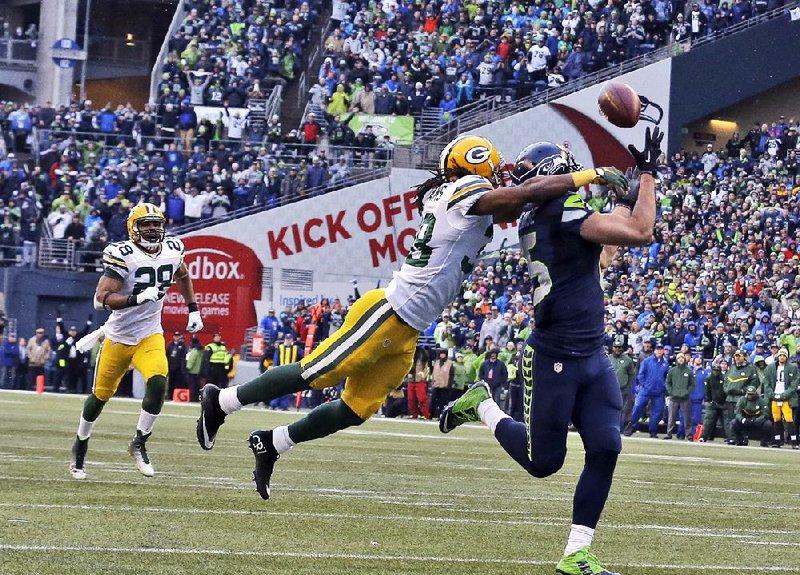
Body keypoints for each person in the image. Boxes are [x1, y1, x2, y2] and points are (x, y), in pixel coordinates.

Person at [196, 133, 628, 502]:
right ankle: (222, 400)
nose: (501, 172)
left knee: (355, 408)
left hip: (408, 327)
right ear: (475, 165)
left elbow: (523, 203)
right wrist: (586, 175)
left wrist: (563, 179)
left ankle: (273, 443)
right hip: (388, 313)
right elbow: (522, 195)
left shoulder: (466, 196)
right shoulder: (463, 192)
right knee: (318, 372)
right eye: (494, 165)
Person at [439, 127, 661, 575]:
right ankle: (481, 404)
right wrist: (648, 179)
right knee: (545, 463)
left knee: (606, 447)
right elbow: (641, 231)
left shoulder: (545, 215)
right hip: (553, 354)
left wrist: (621, 196)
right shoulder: (561, 212)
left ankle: (577, 552)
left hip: (591, 352)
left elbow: (600, 255)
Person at [69, 204, 203, 480]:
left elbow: (184, 275)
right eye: (145, 224)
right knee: (100, 396)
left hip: (149, 334)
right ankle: (80, 443)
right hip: (119, 337)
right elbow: (100, 299)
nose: (152, 229)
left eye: (156, 224)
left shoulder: (172, 249)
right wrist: (135, 298)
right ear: (133, 228)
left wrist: (193, 308)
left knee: (158, 381)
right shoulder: (123, 255)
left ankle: (139, 442)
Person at [626, 341, 670, 438]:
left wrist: (664, 387)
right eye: (658, 349)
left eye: (661, 349)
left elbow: (667, 377)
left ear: (663, 351)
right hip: (646, 390)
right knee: (637, 407)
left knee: (657, 412)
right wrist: (645, 385)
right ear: (654, 351)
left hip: (659, 391)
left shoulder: (665, 364)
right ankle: (631, 427)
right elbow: (640, 375)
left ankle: (653, 431)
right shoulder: (647, 361)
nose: (659, 351)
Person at [762, 347, 799, 448]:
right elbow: (766, 383)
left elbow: (794, 384)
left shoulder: (792, 368)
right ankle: (778, 440)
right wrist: (772, 394)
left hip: (787, 398)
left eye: (784, 356)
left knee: (789, 419)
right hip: (774, 397)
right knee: (776, 419)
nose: (782, 357)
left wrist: (785, 394)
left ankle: (794, 441)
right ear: (777, 356)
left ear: (786, 357)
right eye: (780, 355)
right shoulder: (770, 368)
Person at [723, 349, 759, 444]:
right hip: (730, 398)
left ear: (744, 357)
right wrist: (727, 390)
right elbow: (726, 381)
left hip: (742, 399)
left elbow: (755, 383)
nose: (737, 358)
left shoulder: (750, 368)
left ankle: (743, 438)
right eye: (736, 356)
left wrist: (743, 391)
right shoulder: (732, 367)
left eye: (739, 356)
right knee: (731, 420)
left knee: (742, 419)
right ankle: (733, 438)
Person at [664, 352, 696, 440]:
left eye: (682, 357)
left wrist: (687, 392)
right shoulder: (672, 370)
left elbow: (692, 384)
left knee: (687, 417)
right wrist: (671, 391)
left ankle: (689, 434)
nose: (681, 359)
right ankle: (669, 433)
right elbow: (667, 382)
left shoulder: (689, 371)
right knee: (671, 417)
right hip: (674, 397)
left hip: (685, 398)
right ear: (676, 359)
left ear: (685, 359)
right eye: (679, 358)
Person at [609, 335, 636, 431]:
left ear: (622, 348)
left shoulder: (627, 360)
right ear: (612, 348)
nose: (617, 349)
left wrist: (628, 385)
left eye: (619, 347)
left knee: (624, 409)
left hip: (623, 388)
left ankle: (621, 428)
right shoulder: (608, 359)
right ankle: (609, 428)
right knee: (610, 409)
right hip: (610, 389)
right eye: (615, 347)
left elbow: (632, 374)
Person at [700, 359, 729, 442]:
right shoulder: (709, 378)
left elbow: (726, 390)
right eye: (714, 370)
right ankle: (703, 437)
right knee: (708, 420)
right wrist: (708, 400)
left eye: (717, 370)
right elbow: (707, 390)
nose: (716, 372)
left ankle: (730, 438)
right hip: (713, 402)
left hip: (723, 403)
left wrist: (725, 401)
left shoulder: (724, 378)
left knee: (726, 422)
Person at [166, 331, 188, 398]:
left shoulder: (182, 345)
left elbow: (183, 356)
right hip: (171, 366)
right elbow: (167, 354)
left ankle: (176, 396)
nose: (176, 337)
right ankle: (170, 395)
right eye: (175, 336)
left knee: (178, 382)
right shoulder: (170, 344)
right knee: (171, 381)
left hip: (178, 367)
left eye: (178, 336)